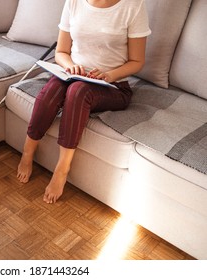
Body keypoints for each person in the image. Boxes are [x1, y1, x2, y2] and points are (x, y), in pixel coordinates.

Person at [17, 0, 151, 204]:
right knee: (53, 88)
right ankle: (28, 153)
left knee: (78, 91)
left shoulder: (133, 6)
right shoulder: (73, 2)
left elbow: (137, 62)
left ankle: (62, 169)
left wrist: (108, 75)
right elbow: (61, 52)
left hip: (113, 86)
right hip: (75, 75)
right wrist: (71, 67)